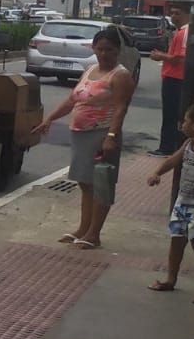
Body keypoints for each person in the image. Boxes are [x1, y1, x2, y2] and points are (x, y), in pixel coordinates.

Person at [32, 26, 134, 249]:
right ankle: (83, 228)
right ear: (93, 49)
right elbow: (72, 100)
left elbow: (120, 108)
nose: (104, 54)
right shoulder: (90, 69)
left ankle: (94, 234)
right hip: (80, 135)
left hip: (102, 134)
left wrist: (111, 136)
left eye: (109, 49)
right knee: (85, 183)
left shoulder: (121, 75)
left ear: (117, 50)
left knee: (101, 185)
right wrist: (49, 119)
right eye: (100, 49)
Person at [146, 103, 194, 306]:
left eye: (187, 120)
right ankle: (171, 278)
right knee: (177, 239)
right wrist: (157, 172)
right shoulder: (188, 144)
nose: (183, 124)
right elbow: (173, 160)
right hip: (184, 201)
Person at [150, 2, 191, 156]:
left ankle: (167, 147)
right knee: (172, 114)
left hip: (175, 78)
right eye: (172, 13)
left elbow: (179, 58)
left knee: (171, 114)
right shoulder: (180, 32)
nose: (174, 16)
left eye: (177, 13)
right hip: (173, 77)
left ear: (187, 14)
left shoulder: (183, 33)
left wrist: (160, 56)